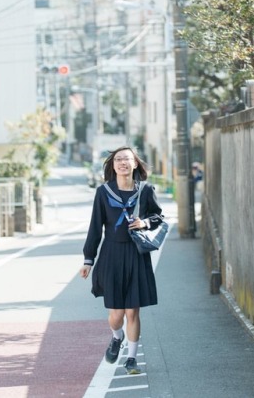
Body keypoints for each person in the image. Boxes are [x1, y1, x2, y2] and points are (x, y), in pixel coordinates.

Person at [79, 146, 164, 375]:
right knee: (116, 314)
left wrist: (144, 223)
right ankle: (117, 337)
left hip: (136, 254)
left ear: (135, 163)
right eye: (118, 159)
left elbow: (157, 217)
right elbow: (95, 227)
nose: (122, 163)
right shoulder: (103, 192)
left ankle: (132, 359)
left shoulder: (145, 191)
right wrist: (88, 259)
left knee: (132, 312)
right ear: (113, 165)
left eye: (127, 159)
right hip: (111, 255)